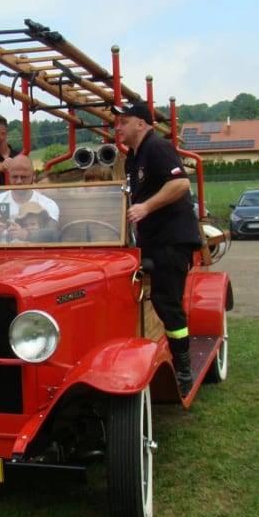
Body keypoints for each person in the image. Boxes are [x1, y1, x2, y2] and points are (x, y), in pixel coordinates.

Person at [114, 102, 202, 397]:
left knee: (167, 302)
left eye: (123, 122)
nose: (118, 127)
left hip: (172, 240)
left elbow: (179, 184)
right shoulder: (132, 158)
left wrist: (146, 207)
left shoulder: (158, 148)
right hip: (150, 241)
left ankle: (183, 369)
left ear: (141, 123)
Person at [0, 155, 59, 243]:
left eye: (24, 177)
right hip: (2, 255)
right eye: (15, 177)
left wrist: (25, 235)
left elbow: (53, 234)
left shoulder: (47, 204)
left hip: (35, 256)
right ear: (9, 176)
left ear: (34, 176)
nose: (19, 181)